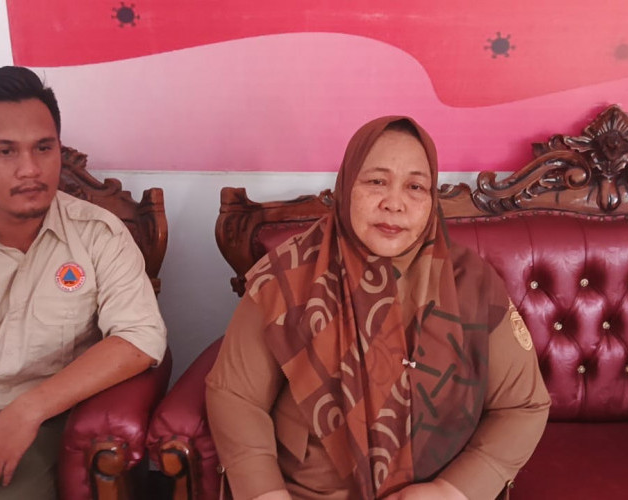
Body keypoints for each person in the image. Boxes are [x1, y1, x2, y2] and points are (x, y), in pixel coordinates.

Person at [205, 116, 550, 499]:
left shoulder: (471, 283)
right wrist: (265, 493)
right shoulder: (286, 277)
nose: (394, 204)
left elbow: (523, 405)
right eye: (376, 182)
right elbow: (235, 395)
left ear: (431, 199)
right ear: (346, 186)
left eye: (415, 187)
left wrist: (452, 491)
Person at [0, 66, 167, 499]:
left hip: (44, 419)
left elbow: (140, 338)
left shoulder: (98, 233)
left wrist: (28, 409)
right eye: (5, 151)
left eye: (44, 148)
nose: (30, 169)